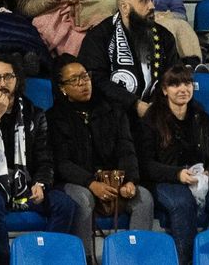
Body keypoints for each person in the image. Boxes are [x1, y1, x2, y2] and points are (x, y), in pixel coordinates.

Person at [0, 56, 75, 254]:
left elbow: (45, 158)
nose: (2, 84)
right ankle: (3, 260)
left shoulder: (34, 113)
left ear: (17, 80)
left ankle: (43, 258)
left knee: (65, 205)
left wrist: (41, 183)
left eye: (8, 77)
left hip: (26, 182)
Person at [51, 56, 156, 255]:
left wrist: (130, 181)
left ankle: (134, 258)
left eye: (85, 76)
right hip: (77, 182)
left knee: (145, 198)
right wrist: (91, 183)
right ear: (62, 88)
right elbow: (62, 163)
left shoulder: (113, 110)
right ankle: (86, 257)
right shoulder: (55, 117)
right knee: (82, 199)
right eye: (74, 80)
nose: (83, 83)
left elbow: (126, 150)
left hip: (114, 180)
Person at [137, 67, 209, 265]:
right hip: (165, 180)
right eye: (175, 84)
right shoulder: (151, 119)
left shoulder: (202, 118)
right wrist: (177, 175)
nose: (183, 89)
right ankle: (185, 261)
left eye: (187, 83)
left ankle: (207, 258)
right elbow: (144, 164)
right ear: (165, 90)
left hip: (200, 179)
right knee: (182, 202)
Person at [78, 0, 180, 120]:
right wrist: (134, 104)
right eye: (144, 1)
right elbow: (95, 79)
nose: (152, 6)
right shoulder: (99, 36)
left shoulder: (164, 36)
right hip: (113, 114)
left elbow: (174, 73)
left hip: (157, 110)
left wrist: (158, 105)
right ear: (124, 8)